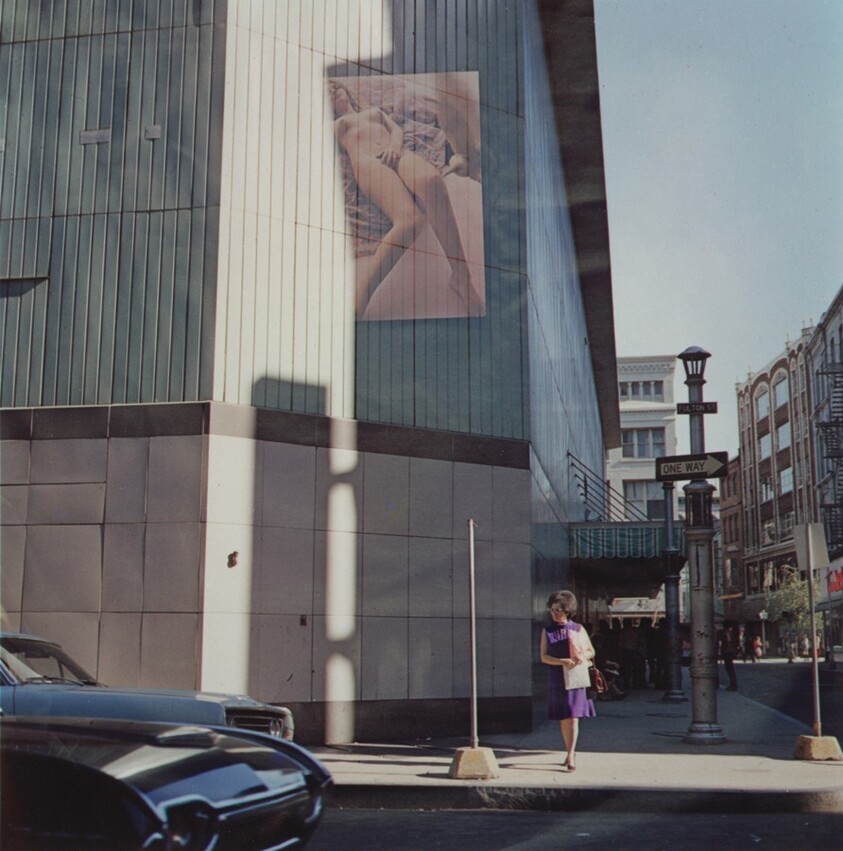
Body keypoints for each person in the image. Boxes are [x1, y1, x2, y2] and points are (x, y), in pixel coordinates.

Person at [329, 80, 473, 317]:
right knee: (410, 220)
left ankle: (461, 276)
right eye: (328, 93)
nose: (334, 92)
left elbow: (396, 130)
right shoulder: (336, 124)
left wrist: (396, 148)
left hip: (397, 153)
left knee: (432, 182)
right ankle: (360, 300)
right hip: (369, 161)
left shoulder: (373, 113)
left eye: (336, 88)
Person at [539, 590, 596, 771]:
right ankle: (568, 751)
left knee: (573, 717)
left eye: (558, 610)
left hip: (575, 676)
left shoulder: (578, 629)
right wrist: (560, 661)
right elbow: (543, 656)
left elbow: (591, 651)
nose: (554, 614)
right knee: (564, 717)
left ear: (568, 610)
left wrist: (581, 656)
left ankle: (571, 755)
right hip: (557, 676)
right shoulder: (547, 630)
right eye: (552, 610)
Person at [718, 623, 738, 691]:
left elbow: (725, 644)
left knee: (729, 669)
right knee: (730, 669)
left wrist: (722, 652)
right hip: (730, 652)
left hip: (727, 653)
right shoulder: (731, 634)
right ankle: (733, 685)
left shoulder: (725, 634)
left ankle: (733, 686)